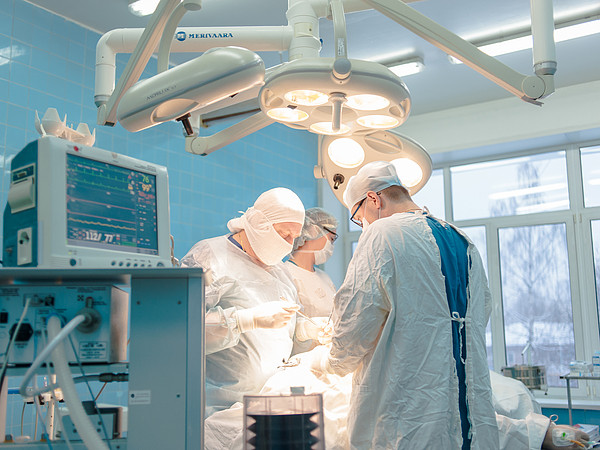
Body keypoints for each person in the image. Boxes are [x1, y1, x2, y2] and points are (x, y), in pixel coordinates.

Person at [307, 160, 500, 449]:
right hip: (470, 420)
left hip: (410, 419)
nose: (362, 225)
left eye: (358, 217)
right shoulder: (462, 239)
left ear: (373, 199)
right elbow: (481, 312)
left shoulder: (382, 234)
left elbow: (353, 326)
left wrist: (326, 361)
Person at [180, 187, 325, 416]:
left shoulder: (280, 271)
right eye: (284, 235)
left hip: (272, 402)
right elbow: (183, 329)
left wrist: (306, 329)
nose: (290, 244)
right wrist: (246, 320)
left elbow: (283, 330)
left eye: (294, 237)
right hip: (221, 407)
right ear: (259, 223)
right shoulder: (210, 256)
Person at [285, 207, 338, 354]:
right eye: (331, 239)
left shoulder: (324, 277)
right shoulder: (286, 275)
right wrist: (308, 331)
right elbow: (286, 329)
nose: (331, 246)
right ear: (314, 232)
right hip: (301, 359)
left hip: (327, 356)